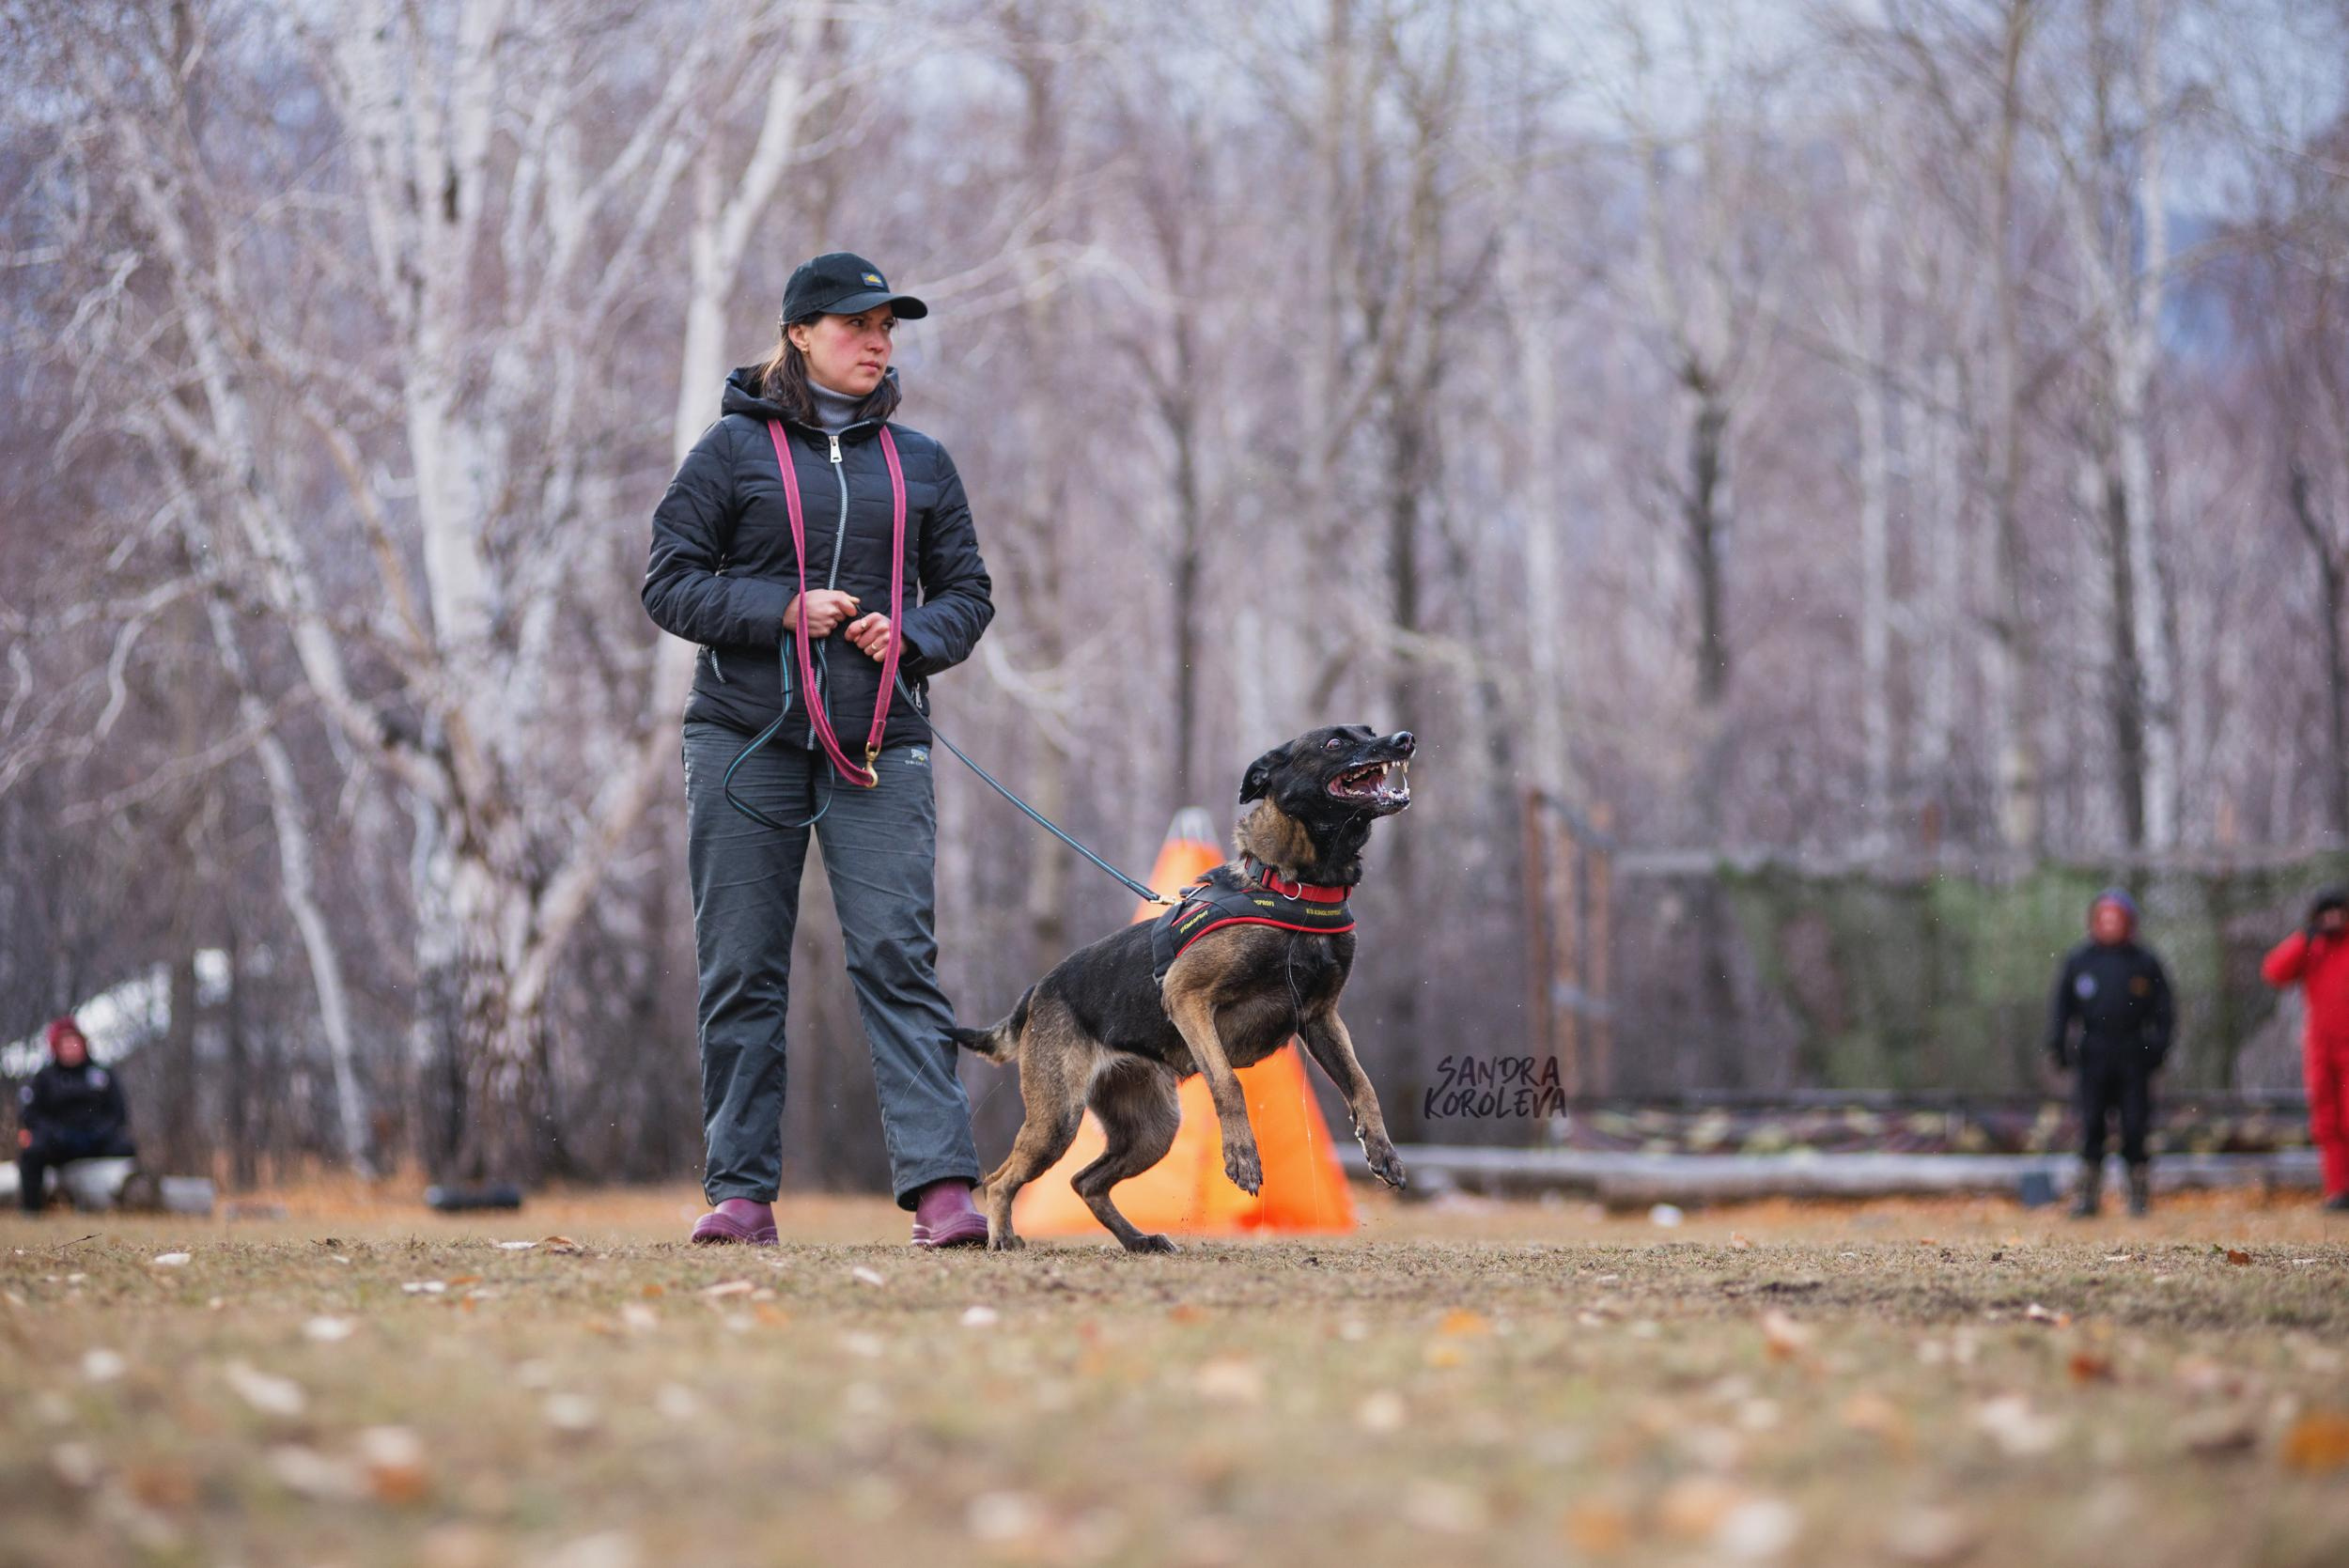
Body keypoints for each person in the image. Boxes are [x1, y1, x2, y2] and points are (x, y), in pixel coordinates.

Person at [643, 253, 994, 1249]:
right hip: (743, 741)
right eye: (856, 324)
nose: (878, 341)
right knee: (742, 967)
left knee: (896, 955)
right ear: (800, 333)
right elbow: (668, 582)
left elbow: (968, 596)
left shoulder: (921, 460)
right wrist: (780, 610)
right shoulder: (729, 450)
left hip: (880, 745)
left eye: (889, 326)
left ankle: (942, 1194)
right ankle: (742, 1197)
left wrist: (911, 636)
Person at [2044, 888, 2173, 1218]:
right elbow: (2062, 1008)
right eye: (2104, 917)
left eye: (2116, 917)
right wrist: (2059, 1044)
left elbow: (2164, 1010)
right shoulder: (2080, 960)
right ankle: (2087, 1197)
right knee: (2091, 1127)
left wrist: (2156, 1047)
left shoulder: (2144, 962)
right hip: (2094, 1056)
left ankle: (2138, 1197)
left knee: (2135, 1126)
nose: (2110, 923)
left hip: (2133, 1055)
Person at [2259, 886, 2349, 1211]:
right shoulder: (2312, 946)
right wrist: (2304, 938)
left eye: (2338, 911)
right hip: (2321, 1048)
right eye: (2326, 913)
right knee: (2327, 1121)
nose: (2333, 919)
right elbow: (2273, 971)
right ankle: (2338, 1191)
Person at [16, 1017, 136, 1214]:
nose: (71, 1049)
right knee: (32, 1151)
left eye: (75, 1043)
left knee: (126, 1147)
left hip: (95, 1140)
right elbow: (30, 1114)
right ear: (55, 1047)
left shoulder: (101, 1074)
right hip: (57, 1141)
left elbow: (118, 1112)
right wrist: (56, 1133)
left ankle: (125, 1204)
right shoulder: (44, 1078)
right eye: (65, 1044)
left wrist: (98, 1133)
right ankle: (32, 1208)